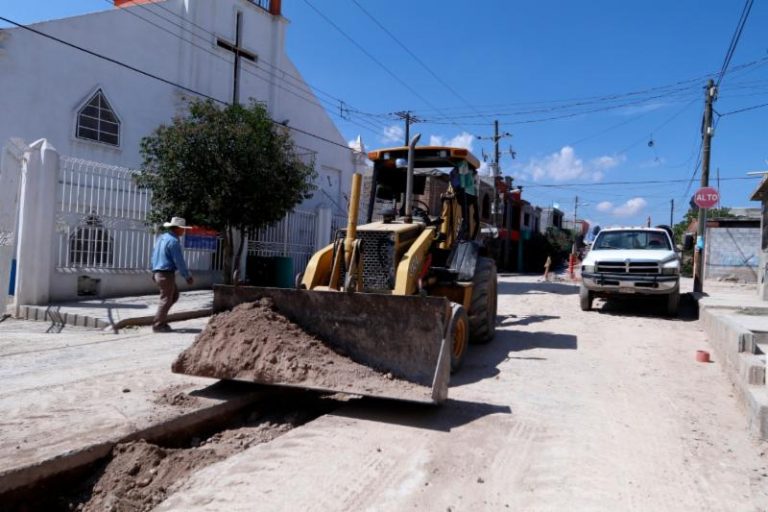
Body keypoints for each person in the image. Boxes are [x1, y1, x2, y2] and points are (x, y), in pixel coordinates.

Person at [151, 216, 194, 332]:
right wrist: (187, 276)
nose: (184, 231)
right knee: (166, 299)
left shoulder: (162, 238)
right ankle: (158, 324)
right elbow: (179, 261)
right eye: (183, 229)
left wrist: (153, 271)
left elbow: (154, 255)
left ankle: (161, 319)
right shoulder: (174, 242)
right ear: (178, 228)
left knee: (174, 296)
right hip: (166, 274)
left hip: (159, 272)